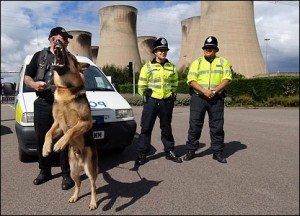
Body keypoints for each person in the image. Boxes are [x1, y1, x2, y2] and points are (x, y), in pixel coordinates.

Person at [24, 27, 75, 189]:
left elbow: (78, 79)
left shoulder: (70, 58)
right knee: (42, 138)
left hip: (63, 104)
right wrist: (33, 84)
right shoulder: (39, 56)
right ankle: (45, 171)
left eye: (67, 39)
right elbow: (27, 77)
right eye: (64, 38)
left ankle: (66, 174)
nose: (67, 41)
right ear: (52, 40)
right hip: (43, 102)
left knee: (64, 139)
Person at [183, 36, 232, 163]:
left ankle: (217, 152)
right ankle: (191, 150)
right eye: (206, 48)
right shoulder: (197, 62)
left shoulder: (223, 62)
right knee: (195, 125)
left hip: (216, 98)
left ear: (216, 49)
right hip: (199, 98)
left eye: (211, 48)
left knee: (217, 126)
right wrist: (204, 91)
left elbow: (227, 79)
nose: (208, 50)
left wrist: (214, 91)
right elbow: (191, 80)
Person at [135, 37, 182, 166]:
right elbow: (141, 85)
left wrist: (172, 95)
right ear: (155, 52)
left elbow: (175, 83)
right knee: (146, 128)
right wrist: (146, 95)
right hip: (152, 101)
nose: (163, 52)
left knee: (166, 128)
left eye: (165, 50)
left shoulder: (171, 67)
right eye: (160, 50)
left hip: (166, 102)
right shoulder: (147, 67)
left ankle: (169, 151)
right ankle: (142, 154)